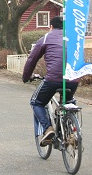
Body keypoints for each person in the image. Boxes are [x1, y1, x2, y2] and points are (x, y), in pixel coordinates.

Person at [22, 16, 79, 146]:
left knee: (36, 103)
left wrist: (26, 77)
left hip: (53, 78)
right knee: (68, 102)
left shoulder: (46, 38)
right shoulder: (73, 39)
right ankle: (72, 133)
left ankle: (48, 129)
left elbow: (32, 60)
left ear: (51, 27)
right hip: (73, 79)